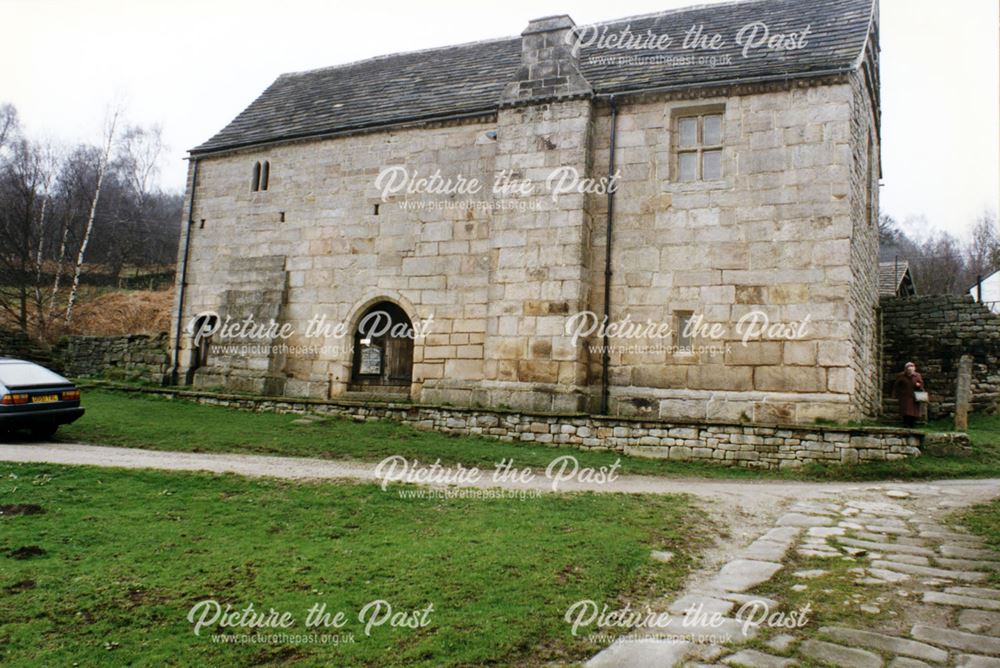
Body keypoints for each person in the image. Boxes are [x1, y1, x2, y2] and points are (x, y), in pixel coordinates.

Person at [893, 361, 925, 427]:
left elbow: (921, 384)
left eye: (911, 369)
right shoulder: (901, 376)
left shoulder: (917, 375)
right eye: (908, 369)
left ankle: (912, 424)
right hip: (905, 395)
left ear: (914, 369)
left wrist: (919, 385)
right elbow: (896, 385)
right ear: (906, 369)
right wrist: (896, 393)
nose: (910, 371)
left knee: (914, 411)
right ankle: (905, 423)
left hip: (914, 396)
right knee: (905, 411)